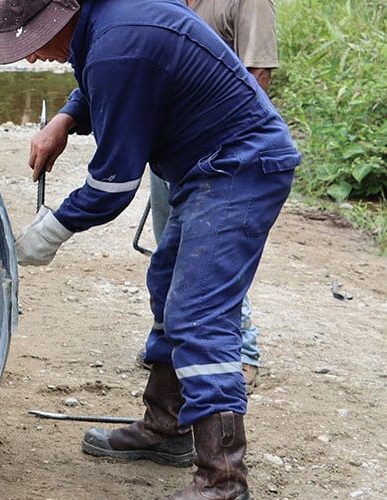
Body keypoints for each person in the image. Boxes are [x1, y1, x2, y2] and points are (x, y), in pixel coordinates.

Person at [0, 0, 299, 498]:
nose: (31, 58)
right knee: (168, 289)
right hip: (206, 167)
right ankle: (166, 430)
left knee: (199, 315)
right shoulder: (108, 22)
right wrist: (65, 117)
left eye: (30, 42)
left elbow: (113, 185)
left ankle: (223, 480)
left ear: (58, 20)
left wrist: (46, 233)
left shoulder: (115, 42)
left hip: (240, 166)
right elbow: (114, 83)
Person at [143, 0, 282, 386]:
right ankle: (175, 354)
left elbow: (257, 75)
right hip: (170, 154)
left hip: (219, 159)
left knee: (213, 259)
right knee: (170, 258)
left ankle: (242, 351)